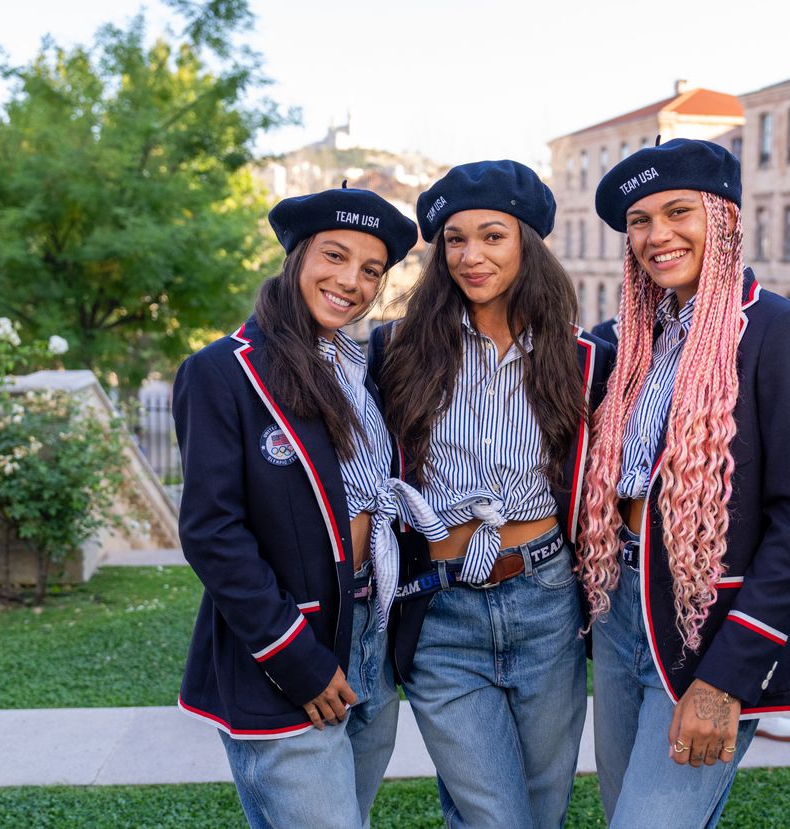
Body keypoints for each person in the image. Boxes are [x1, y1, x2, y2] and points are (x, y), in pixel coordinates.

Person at [576, 138, 790, 828]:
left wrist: (726, 678)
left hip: (705, 627)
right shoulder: (633, 340)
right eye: (640, 221)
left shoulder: (784, 334)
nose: (657, 235)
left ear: (722, 219)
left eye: (678, 212)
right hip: (619, 607)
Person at [172, 185, 446, 829]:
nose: (350, 281)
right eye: (334, 255)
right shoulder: (222, 372)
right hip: (286, 646)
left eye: (371, 270)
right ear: (296, 256)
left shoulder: (362, 367)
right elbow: (213, 533)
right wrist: (294, 656)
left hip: (369, 635)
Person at [369, 160, 613, 829]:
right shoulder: (395, 353)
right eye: (454, 239)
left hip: (545, 603)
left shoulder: (581, 358)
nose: (471, 255)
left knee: (540, 808)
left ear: (527, 244)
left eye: (492, 236)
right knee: (494, 816)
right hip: (441, 610)